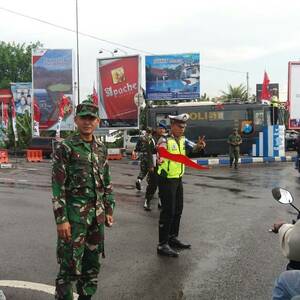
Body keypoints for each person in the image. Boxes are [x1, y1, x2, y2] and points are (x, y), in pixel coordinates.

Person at [52, 100, 115, 300]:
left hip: (96, 219)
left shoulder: (101, 148)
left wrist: (109, 208)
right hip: (74, 220)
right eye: (83, 118)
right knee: (69, 267)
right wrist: (61, 219)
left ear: (97, 122)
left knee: (91, 266)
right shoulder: (66, 147)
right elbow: (58, 186)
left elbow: (106, 180)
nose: (87, 122)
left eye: (92, 118)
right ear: (76, 120)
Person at [156, 113, 206, 257]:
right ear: (172, 126)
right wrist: (159, 159)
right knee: (168, 211)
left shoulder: (183, 140)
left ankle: (172, 238)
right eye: (179, 126)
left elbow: (193, 148)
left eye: (184, 127)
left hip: (178, 179)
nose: (182, 129)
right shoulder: (164, 140)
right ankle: (162, 244)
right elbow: (159, 153)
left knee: (178, 209)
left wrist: (199, 146)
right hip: (166, 180)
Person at [143, 121, 167, 211]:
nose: (162, 130)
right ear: (157, 129)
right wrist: (150, 166)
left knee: (163, 185)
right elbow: (149, 153)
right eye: (160, 128)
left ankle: (161, 202)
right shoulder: (151, 139)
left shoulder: (165, 139)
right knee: (153, 184)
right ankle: (147, 201)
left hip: (163, 165)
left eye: (163, 129)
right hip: (154, 165)